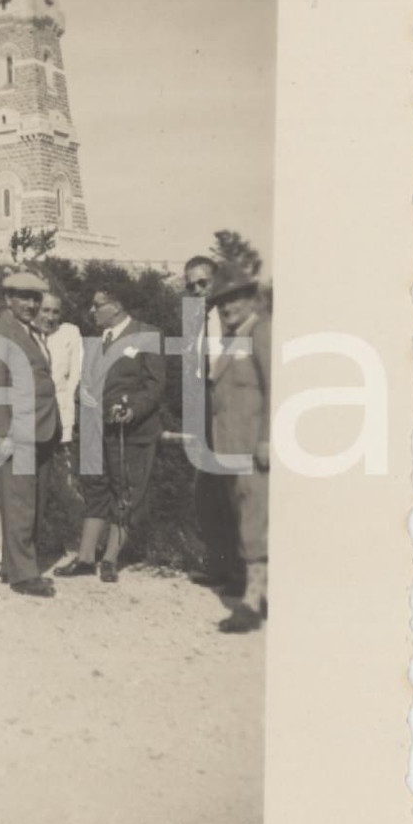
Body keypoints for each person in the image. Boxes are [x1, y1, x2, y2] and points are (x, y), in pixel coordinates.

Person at [56, 293, 165, 583]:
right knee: (95, 491)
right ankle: (85, 558)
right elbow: (84, 384)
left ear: (116, 306)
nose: (91, 310)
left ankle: (110, 559)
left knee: (126, 493)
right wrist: (82, 401)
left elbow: (155, 386)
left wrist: (132, 409)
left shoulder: (147, 334)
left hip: (130, 433)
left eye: (97, 305)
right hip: (94, 431)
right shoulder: (95, 341)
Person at [0, 270, 60, 598]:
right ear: (8, 299)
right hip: (18, 431)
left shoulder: (29, 331)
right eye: (23, 297)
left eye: (36, 298)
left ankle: (15, 566)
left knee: (32, 500)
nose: (31, 304)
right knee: (20, 502)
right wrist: (4, 434)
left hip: (42, 428)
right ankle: (24, 575)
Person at [206, 263, 271, 633]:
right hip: (231, 448)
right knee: (245, 517)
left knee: (254, 522)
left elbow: (277, 389)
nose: (228, 307)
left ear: (250, 298)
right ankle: (257, 592)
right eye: (222, 302)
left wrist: (266, 438)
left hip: (252, 448)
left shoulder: (262, 332)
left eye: (234, 299)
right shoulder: (233, 339)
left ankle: (252, 602)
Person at [182, 255, 236, 589]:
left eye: (203, 283)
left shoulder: (237, 316)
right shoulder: (198, 320)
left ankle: (241, 574)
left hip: (232, 412)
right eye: (191, 286)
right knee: (211, 493)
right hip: (205, 411)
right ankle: (219, 567)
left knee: (233, 493)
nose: (198, 290)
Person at [37, 291, 83, 449]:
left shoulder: (69, 333)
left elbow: (74, 378)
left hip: (61, 415)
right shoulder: (26, 334)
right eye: (45, 310)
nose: (50, 317)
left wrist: (68, 423)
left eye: (55, 312)